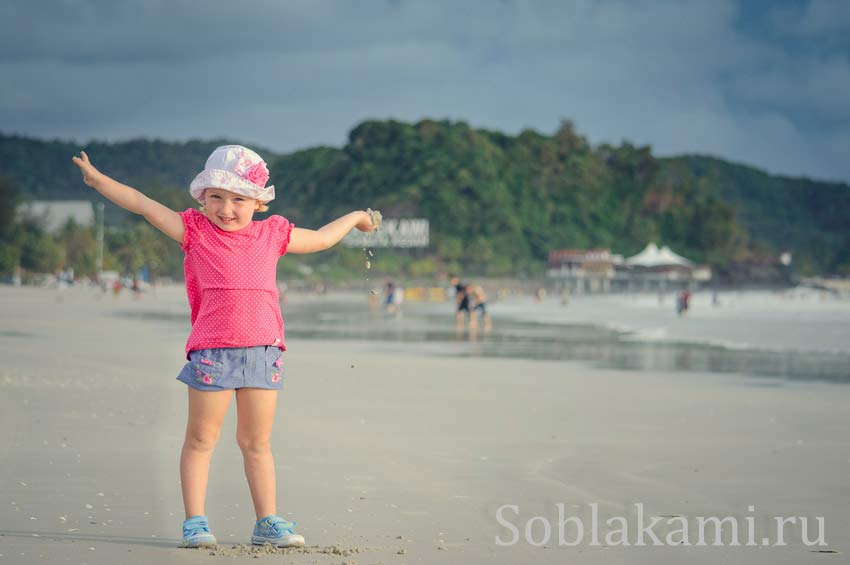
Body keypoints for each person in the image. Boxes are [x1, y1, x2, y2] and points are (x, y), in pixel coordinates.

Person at [72, 145, 378, 550]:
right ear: (202, 198)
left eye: (238, 199)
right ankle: (195, 522)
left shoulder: (273, 234)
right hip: (212, 354)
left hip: (264, 353)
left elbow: (322, 239)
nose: (226, 208)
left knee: (256, 443)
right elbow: (144, 205)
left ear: (258, 203)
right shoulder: (195, 231)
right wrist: (98, 181)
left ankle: (267, 521)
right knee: (201, 439)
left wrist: (357, 217)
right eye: (216, 196)